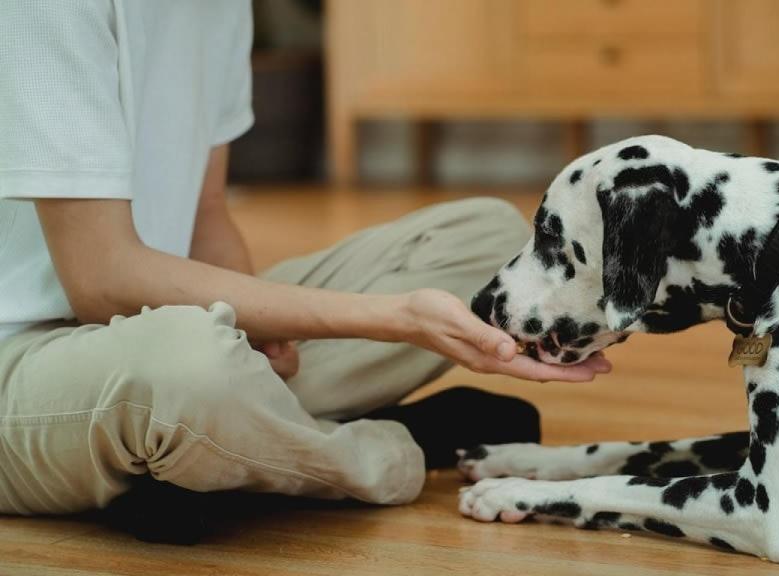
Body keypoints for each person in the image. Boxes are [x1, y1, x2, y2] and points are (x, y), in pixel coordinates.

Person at [0, 0, 611, 532]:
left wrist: (257, 335)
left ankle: (217, 456)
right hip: (25, 365)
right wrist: (395, 318)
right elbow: (102, 279)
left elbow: (207, 214)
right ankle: (390, 450)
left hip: (153, 324)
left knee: (485, 241)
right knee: (192, 369)